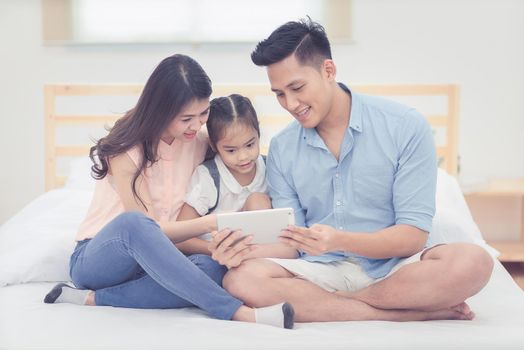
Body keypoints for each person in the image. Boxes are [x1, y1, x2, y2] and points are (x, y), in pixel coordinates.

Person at [209, 19, 494, 323]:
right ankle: (396, 313)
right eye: (279, 94)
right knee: (239, 279)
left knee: (473, 262)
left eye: (297, 88)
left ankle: (335, 305)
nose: (290, 104)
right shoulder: (282, 148)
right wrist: (241, 251)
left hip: (396, 268)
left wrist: (339, 240)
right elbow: (291, 243)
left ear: (328, 71)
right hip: (320, 270)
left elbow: (411, 236)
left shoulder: (405, 126)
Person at [43, 54, 294, 329]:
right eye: (186, 118)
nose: (197, 125)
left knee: (213, 268)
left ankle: (93, 299)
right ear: (161, 110)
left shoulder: (201, 141)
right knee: (135, 224)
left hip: (161, 261)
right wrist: (213, 224)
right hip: (103, 258)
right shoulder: (126, 148)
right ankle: (236, 312)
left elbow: (240, 148)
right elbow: (149, 230)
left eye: (203, 113)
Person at [178, 94, 299, 263]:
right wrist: (218, 250)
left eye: (250, 145)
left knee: (259, 201)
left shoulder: (271, 167)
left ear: (258, 133)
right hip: (215, 255)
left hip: (260, 253)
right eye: (231, 151)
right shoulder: (209, 177)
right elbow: (181, 237)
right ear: (214, 146)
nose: (243, 157)